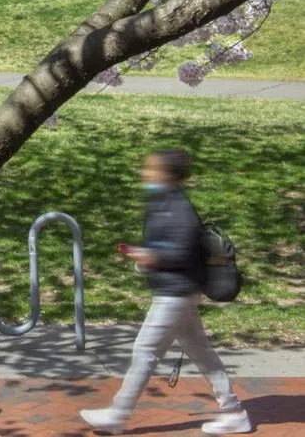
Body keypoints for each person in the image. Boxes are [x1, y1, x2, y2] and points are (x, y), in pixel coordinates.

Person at [80, 149, 251, 435]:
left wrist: (151, 256)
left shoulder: (179, 208)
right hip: (177, 293)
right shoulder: (165, 203)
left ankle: (118, 415)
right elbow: (170, 245)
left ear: (168, 174)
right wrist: (146, 255)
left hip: (176, 294)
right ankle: (234, 412)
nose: (145, 174)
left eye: (151, 169)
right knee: (203, 356)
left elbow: (182, 251)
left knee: (145, 350)